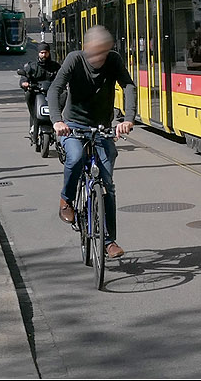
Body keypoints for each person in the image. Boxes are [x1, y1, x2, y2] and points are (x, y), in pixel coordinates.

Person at [46, 25, 137, 260]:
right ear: (86, 49)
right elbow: (55, 88)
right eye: (95, 53)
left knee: (107, 182)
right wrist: (57, 121)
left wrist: (127, 119)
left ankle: (108, 241)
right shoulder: (74, 60)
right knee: (75, 158)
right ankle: (66, 200)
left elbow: (128, 85)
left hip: (101, 127)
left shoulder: (113, 61)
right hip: (73, 125)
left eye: (104, 53)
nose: (99, 58)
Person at [17, 45, 59, 144]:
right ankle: (33, 123)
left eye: (46, 52)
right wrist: (24, 83)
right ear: (38, 53)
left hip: (51, 93)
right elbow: (24, 78)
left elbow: (63, 76)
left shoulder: (55, 66)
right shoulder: (31, 66)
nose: (44, 55)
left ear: (49, 53)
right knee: (28, 95)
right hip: (36, 93)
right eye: (42, 53)